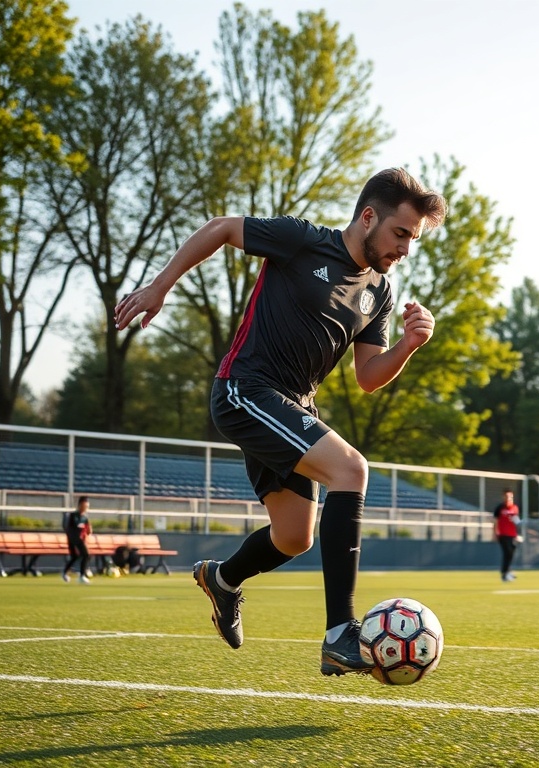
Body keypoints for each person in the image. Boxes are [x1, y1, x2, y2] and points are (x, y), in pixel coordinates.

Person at [113, 168, 446, 677]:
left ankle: (222, 579)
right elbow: (223, 227)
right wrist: (160, 286)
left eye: (413, 240)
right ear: (368, 216)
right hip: (244, 389)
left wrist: (408, 345)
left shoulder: (378, 294)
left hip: (294, 406)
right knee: (351, 471)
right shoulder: (304, 240)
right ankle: (340, 633)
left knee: (294, 537)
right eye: (400, 234)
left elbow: (367, 377)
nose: (404, 248)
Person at [493, 488, 522, 581]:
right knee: (507, 552)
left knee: (511, 553)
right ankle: (505, 573)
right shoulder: (500, 508)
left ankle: (507, 571)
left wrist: (517, 535)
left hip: (512, 535)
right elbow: (495, 521)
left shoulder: (515, 508)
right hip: (503, 534)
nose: (508, 498)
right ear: (503, 497)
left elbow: (517, 522)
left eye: (510, 496)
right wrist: (495, 533)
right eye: (506, 496)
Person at [63, 496, 92, 584]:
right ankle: (82, 576)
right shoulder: (73, 515)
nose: (85, 508)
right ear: (79, 505)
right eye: (84, 506)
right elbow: (73, 526)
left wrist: (88, 530)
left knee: (75, 556)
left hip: (79, 538)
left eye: (87, 507)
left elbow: (88, 529)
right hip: (73, 538)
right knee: (86, 555)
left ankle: (64, 573)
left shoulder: (85, 518)